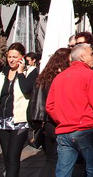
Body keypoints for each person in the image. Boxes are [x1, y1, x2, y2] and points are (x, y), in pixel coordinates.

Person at [46, 44, 93, 177]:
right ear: (82, 57)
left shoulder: (60, 77)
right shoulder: (90, 75)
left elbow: (50, 106)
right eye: (91, 54)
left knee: (63, 171)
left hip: (64, 130)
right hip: (84, 129)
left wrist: (62, 119)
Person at [0, 42, 37, 177]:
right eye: (9, 57)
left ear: (22, 57)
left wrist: (20, 73)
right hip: (3, 120)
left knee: (13, 156)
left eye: (15, 57)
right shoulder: (2, 73)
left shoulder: (30, 71)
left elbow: (26, 89)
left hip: (20, 120)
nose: (11, 60)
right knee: (7, 157)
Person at [29, 48, 72, 177]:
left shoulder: (43, 77)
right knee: (59, 158)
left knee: (50, 158)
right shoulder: (60, 78)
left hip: (45, 123)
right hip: (57, 121)